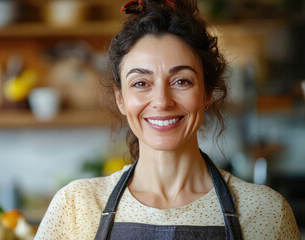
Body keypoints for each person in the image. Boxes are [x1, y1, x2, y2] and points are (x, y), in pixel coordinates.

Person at [34, 0, 301, 239]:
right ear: (121, 99)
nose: (162, 100)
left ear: (207, 93)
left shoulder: (266, 213)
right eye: (141, 83)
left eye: (181, 81)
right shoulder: (76, 208)